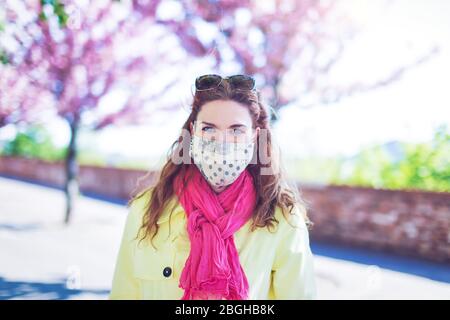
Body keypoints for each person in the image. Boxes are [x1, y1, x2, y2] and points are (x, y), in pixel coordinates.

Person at [109, 74, 316, 300]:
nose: (222, 142)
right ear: (192, 132)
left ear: (255, 138)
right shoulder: (147, 209)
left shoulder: (282, 217)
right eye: (209, 129)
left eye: (236, 130)